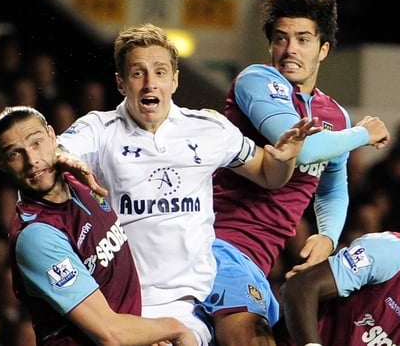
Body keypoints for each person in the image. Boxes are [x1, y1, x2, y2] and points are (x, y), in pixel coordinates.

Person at [56, 23, 319, 345]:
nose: (150, 83)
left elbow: (268, 174)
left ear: (175, 79)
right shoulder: (98, 129)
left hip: (198, 295)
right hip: (132, 300)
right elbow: (58, 152)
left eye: (160, 72)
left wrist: (285, 157)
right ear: (121, 83)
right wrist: (62, 158)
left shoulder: (209, 129)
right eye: (138, 73)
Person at [203, 0, 391, 346]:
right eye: (280, 38)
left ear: (323, 49)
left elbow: (333, 189)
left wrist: (327, 236)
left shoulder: (335, 116)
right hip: (216, 244)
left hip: (258, 263)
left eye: (303, 39)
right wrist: (363, 134)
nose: (290, 49)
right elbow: (298, 147)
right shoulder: (255, 80)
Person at [0, 105, 196, 345]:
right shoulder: (37, 236)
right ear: (1, 164)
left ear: (53, 136)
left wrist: (144, 333)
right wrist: (173, 328)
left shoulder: (81, 178)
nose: (32, 160)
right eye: (15, 154)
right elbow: (109, 334)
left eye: (37, 143)